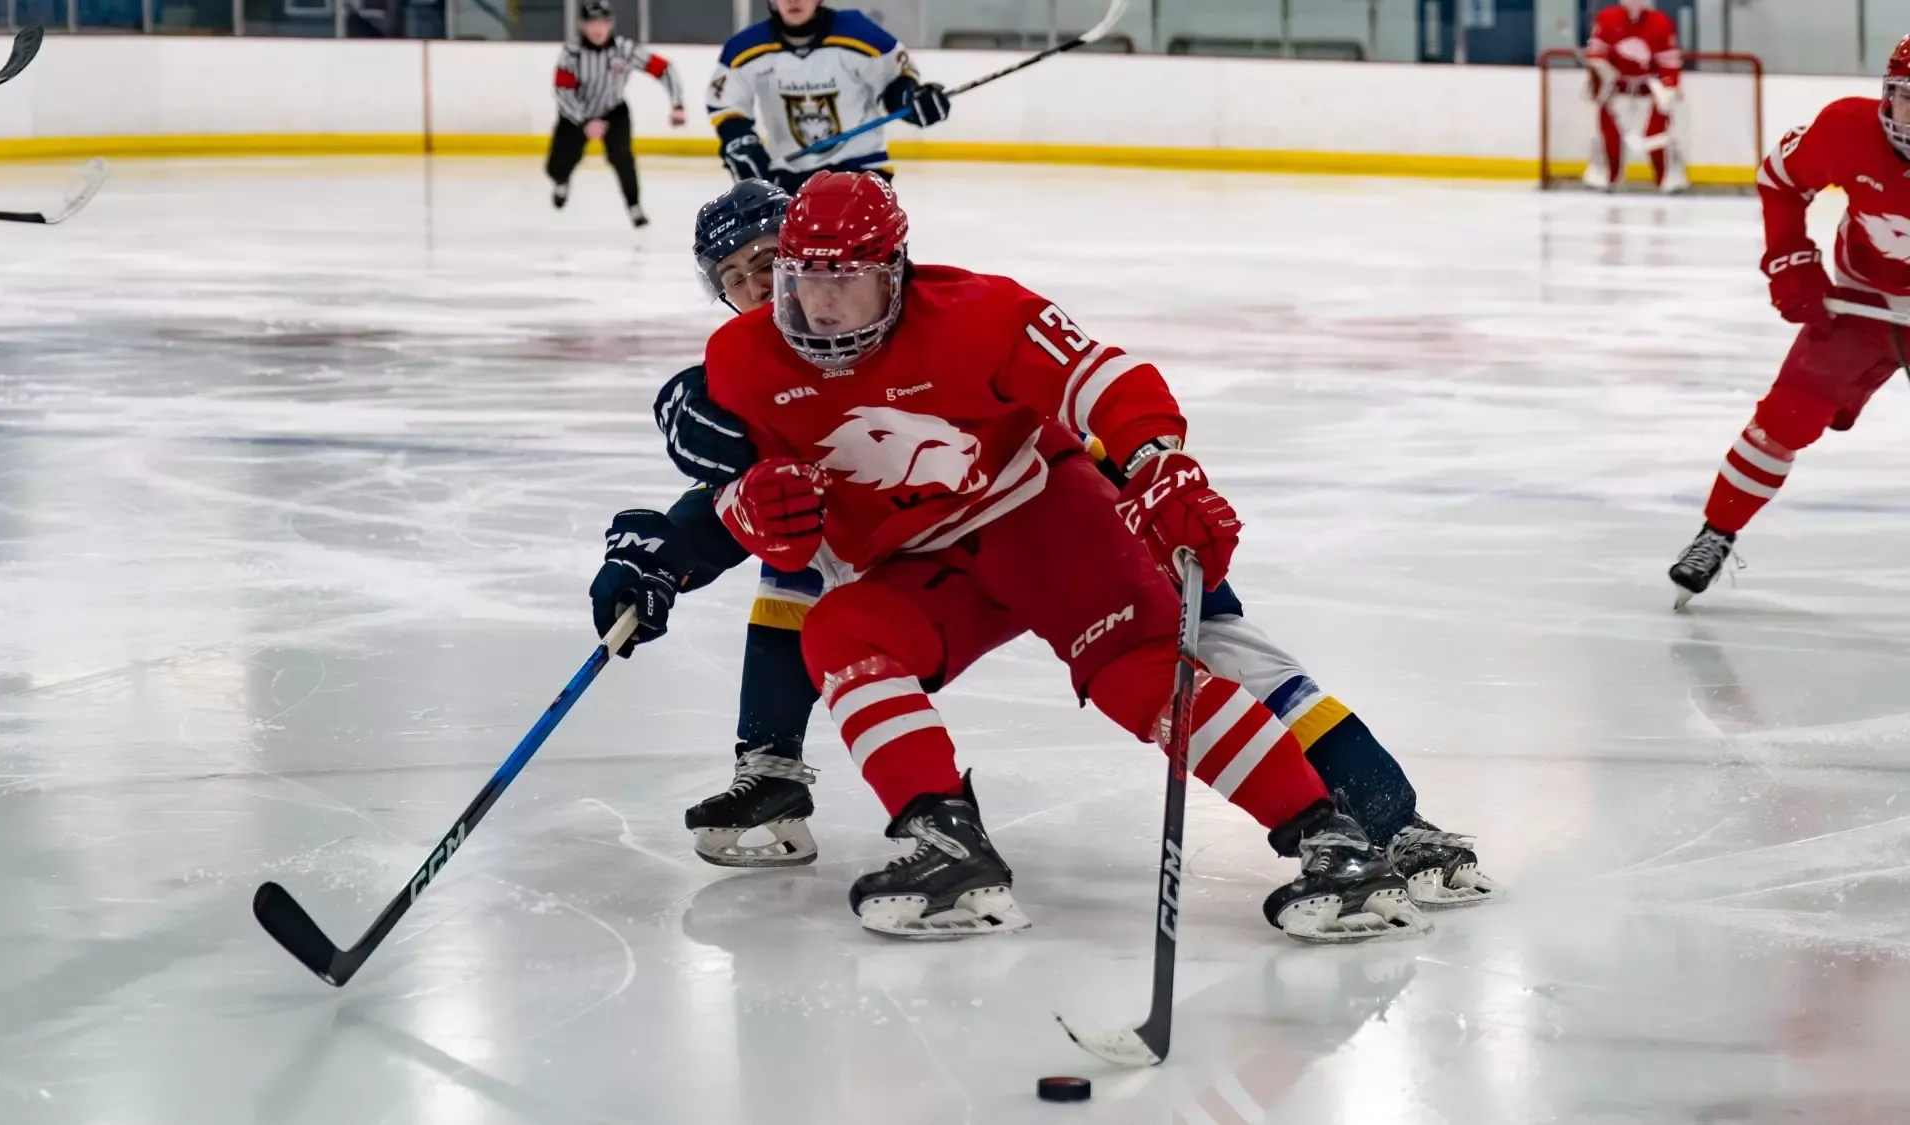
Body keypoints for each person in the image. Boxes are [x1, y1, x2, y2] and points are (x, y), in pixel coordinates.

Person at [593, 173, 1492, 943]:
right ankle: (939, 840)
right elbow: (748, 507)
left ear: (896, 274)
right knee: (836, 627)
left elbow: (1103, 377)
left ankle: (1355, 832)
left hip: (1056, 517)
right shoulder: (738, 365)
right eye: (779, 280)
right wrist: (704, 527)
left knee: (1174, 661)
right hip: (924, 565)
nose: (814, 306)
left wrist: (1157, 464)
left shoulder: (977, 313)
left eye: (842, 281)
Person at [1670, 35, 1910, 606]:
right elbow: (1780, 180)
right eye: (1909, 98)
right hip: (1862, 300)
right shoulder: (1847, 130)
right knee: (1788, 415)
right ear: (1888, 95)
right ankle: (1716, 532)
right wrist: (1791, 259)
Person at [706, 0, 951, 192]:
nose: (793, 0)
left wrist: (910, 99)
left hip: (861, 167)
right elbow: (726, 105)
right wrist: (738, 140)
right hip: (787, 173)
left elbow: (896, 81)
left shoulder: (860, 33)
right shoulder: (743, 48)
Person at [548, 0, 686, 225]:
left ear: (610, 24)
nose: (598, 28)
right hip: (576, 114)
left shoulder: (625, 50)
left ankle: (634, 206)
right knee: (558, 164)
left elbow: (664, 69)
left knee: (622, 157)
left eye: (602, 22)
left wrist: (677, 104)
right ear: (582, 25)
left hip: (613, 111)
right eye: (592, 23)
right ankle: (561, 181)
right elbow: (563, 92)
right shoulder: (572, 53)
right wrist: (584, 121)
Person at [1583, 0, 1686, 194]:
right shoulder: (1606, 18)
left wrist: (1669, 87)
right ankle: (1606, 171)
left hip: (1649, 85)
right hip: (1615, 84)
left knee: (1658, 131)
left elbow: (1669, 62)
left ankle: (1667, 173)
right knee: (1608, 130)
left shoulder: (1661, 22)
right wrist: (1602, 76)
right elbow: (1595, 54)